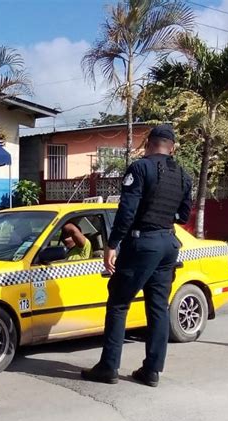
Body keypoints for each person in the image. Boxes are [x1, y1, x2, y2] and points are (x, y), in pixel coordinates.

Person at [81, 124, 192, 387]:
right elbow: (184, 215)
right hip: (168, 243)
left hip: (143, 243)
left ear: (149, 143)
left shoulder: (140, 168)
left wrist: (112, 244)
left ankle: (108, 367)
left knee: (119, 303)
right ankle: (152, 370)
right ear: (172, 147)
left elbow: (127, 210)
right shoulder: (184, 175)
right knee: (158, 307)